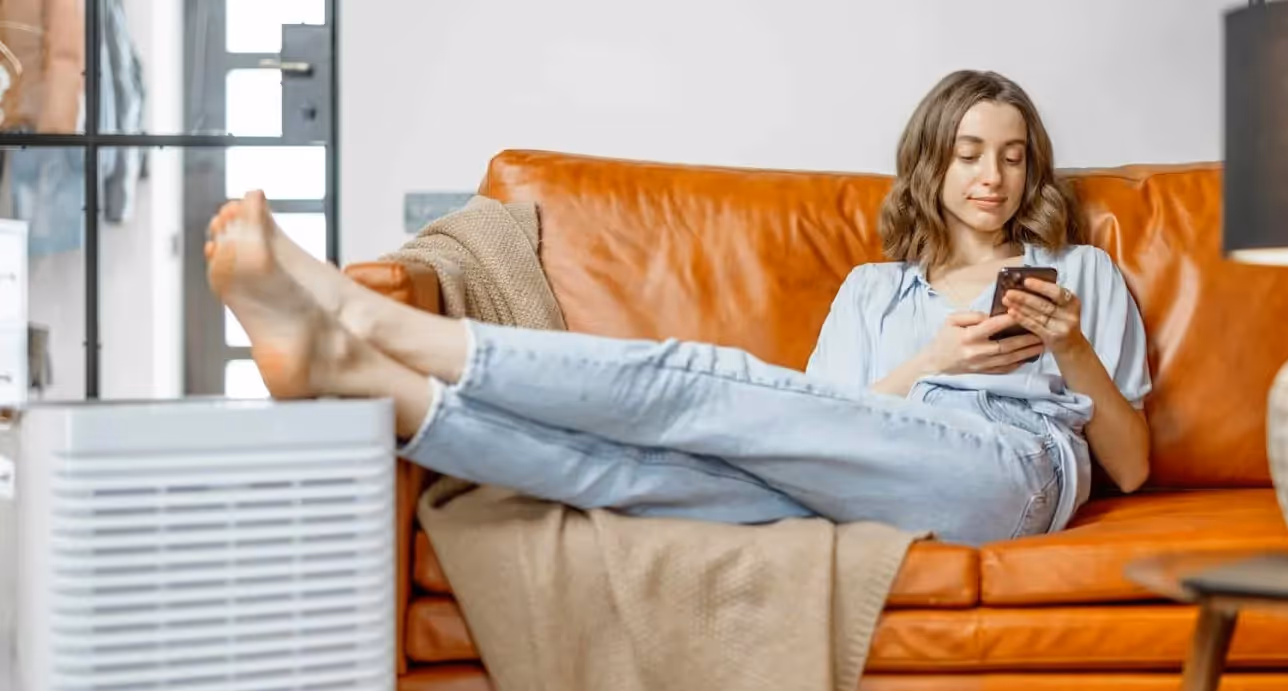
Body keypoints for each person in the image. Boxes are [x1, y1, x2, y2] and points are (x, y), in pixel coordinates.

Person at [204, 69, 1150, 547]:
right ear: (932, 162)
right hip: (850, 477)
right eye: (971, 152)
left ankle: (371, 319)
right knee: (629, 475)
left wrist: (1071, 354)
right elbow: (820, 413)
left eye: (1014, 154)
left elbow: (1134, 467)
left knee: (712, 385)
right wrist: (929, 363)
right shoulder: (876, 288)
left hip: (1008, 476)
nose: (993, 175)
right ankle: (355, 373)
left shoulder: (1079, 272)